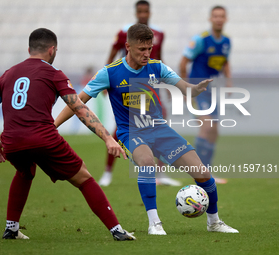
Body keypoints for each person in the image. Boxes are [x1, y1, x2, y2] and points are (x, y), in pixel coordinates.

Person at [55, 23, 239, 235]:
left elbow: (185, 88)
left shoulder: (157, 67)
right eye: (141, 49)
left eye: (149, 48)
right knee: (147, 162)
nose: (146, 53)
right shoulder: (110, 73)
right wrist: (53, 126)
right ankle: (154, 223)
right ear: (128, 47)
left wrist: (195, 89)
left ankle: (214, 222)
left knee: (203, 173)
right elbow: (77, 102)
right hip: (130, 132)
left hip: (160, 130)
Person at [0, 28, 136, 241]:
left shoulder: (8, 74)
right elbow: (79, 108)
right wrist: (107, 138)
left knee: (25, 171)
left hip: (11, 142)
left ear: (29, 49)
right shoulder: (54, 73)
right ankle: (117, 231)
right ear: (52, 50)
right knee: (84, 178)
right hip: (44, 138)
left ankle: (11, 229)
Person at [99, 0, 181, 187]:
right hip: (128, 83)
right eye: (140, 11)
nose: (143, 14)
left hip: (150, 84)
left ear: (150, 12)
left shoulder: (159, 34)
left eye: (146, 11)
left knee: (161, 123)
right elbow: (112, 57)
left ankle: (161, 173)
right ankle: (108, 171)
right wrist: (106, 81)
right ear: (136, 13)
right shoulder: (124, 33)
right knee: (122, 128)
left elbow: (159, 59)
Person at [179, 5, 231, 185]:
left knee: (214, 131)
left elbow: (225, 62)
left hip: (212, 92)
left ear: (226, 19)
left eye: (221, 16)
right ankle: (199, 172)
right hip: (197, 90)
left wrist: (229, 81)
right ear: (210, 19)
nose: (218, 19)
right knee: (206, 126)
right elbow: (183, 61)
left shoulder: (226, 42)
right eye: (215, 16)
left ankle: (206, 171)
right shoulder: (200, 40)